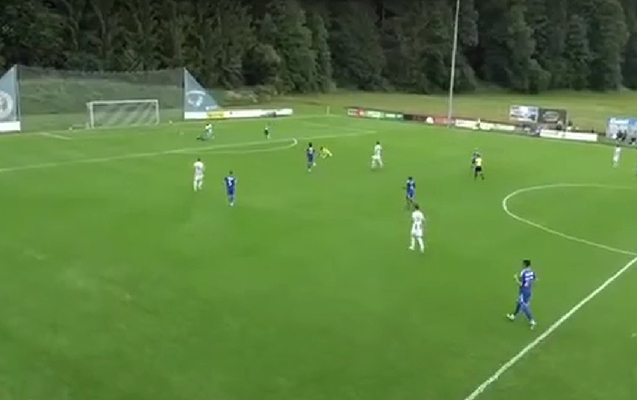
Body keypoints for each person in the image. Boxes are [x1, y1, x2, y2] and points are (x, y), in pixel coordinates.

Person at [507, 259, 537, 329]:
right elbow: (534, 280)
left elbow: (521, 284)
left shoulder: (523, 273)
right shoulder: (532, 272)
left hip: (523, 291)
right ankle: (513, 316)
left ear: (524, 265)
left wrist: (515, 279)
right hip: (529, 291)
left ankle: (532, 320)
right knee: (519, 303)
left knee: (524, 306)